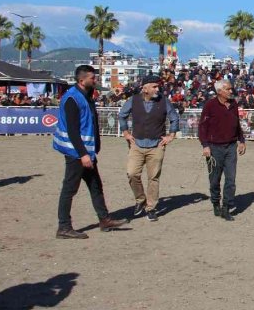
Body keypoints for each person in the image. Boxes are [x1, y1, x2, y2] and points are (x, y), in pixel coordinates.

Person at [53, 65, 128, 239]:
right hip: (76, 152)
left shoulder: (86, 95)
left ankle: (104, 219)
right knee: (69, 189)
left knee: (96, 186)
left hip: (87, 151)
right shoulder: (72, 98)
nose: (95, 80)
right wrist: (83, 154)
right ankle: (63, 227)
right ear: (82, 80)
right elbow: (72, 130)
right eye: (92, 78)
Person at [118, 75, 180, 222]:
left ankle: (151, 208)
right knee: (132, 173)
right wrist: (126, 132)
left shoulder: (164, 101)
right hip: (136, 144)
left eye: (158, 86)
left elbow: (174, 118)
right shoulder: (133, 100)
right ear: (144, 88)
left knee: (153, 178)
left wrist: (171, 135)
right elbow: (122, 115)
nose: (157, 89)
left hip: (157, 145)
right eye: (154, 86)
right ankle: (140, 200)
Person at [198, 79, 246, 221]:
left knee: (231, 179)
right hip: (214, 147)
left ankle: (226, 207)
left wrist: (241, 140)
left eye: (231, 89)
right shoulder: (210, 106)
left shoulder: (233, 104)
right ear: (220, 91)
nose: (231, 91)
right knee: (214, 179)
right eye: (228, 89)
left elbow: (237, 124)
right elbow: (202, 127)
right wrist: (205, 145)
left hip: (231, 146)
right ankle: (215, 203)